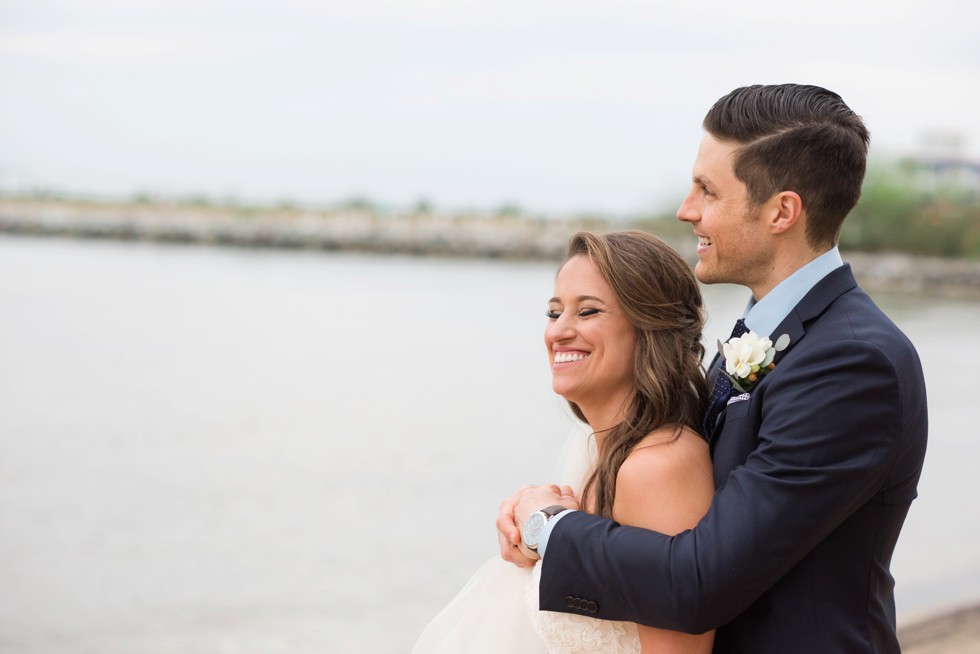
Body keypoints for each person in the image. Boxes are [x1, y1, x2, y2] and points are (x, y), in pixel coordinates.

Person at [498, 83, 928, 654]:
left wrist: (551, 529)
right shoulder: (763, 336)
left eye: (708, 190)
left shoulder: (852, 363)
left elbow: (700, 582)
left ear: (782, 211)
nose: (686, 210)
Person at [414, 230, 716, 653]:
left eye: (588, 311)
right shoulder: (601, 451)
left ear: (649, 326)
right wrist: (533, 526)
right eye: (554, 313)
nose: (559, 332)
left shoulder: (659, 465)